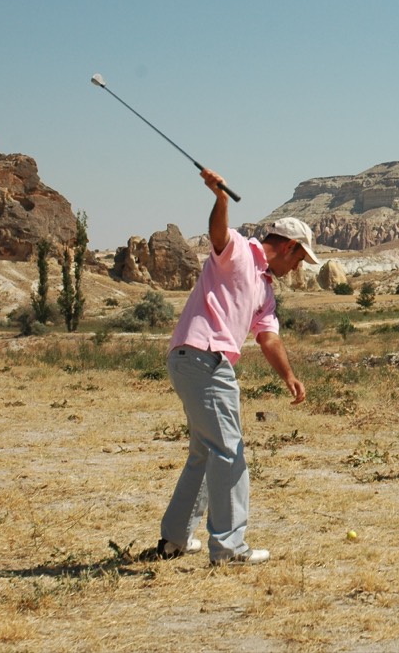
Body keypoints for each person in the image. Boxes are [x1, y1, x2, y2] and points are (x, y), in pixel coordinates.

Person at [158, 168, 316, 566]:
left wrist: (289, 376)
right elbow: (217, 234)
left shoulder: (265, 288)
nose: (299, 268)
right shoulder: (241, 251)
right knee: (228, 452)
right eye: (301, 258)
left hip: (193, 360)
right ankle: (229, 548)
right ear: (290, 246)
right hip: (203, 358)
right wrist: (221, 199)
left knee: (204, 451)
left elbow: (269, 338)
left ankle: (174, 540)